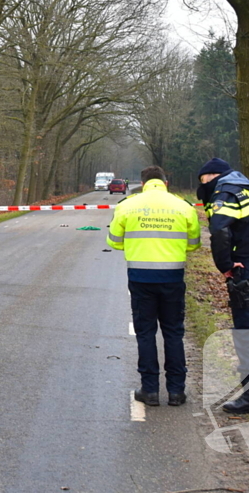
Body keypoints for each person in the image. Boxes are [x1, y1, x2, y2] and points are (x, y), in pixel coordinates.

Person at [107, 166, 200, 407]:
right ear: (165, 182)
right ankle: (177, 391)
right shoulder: (184, 207)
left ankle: (149, 391)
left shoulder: (127, 206)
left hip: (140, 278)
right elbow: (194, 244)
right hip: (173, 277)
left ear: (144, 182)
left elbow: (114, 242)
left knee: (145, 333)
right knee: (174, 333)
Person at [196, 157, 249, 413]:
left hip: (246, 269)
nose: (203, 186)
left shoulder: (225, 193)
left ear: (212, 176)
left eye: (203, 180)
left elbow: (219, 231)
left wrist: (226, 265)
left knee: (246, 332)